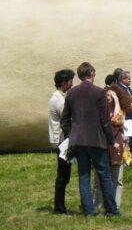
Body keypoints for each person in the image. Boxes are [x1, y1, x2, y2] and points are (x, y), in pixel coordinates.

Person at [60, 62, 119, 217]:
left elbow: (64, 120)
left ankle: (88, 212)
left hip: (78, 140)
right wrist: (111, 140)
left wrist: (71, 135)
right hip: (96, 139)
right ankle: (112, 211)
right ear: (91, 73)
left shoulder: (71, 93)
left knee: (84, 176)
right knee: (104, 175)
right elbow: (105, 120)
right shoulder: (99, 92)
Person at [95, 75, 127, 212]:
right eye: (107, 96)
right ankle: (97, 204)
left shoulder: (120, 111)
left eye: (112, 96)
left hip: (117, 147)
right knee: (98, 178)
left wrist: (117, 101)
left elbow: (117, 120)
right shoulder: (100, 111)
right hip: (103, 145)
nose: (109, 98)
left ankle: (115, 204)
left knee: (117, 179)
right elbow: (108, 122)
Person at [49, 68, 74, 214]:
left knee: (64, 175)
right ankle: (59, 207)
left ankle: (60, 206)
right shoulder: (59, 100)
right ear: (64, 83)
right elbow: (68, 117)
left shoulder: (60, 97)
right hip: (61, 141)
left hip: (61, 140)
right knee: (63, 176)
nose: (72, 84)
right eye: (70, 82)